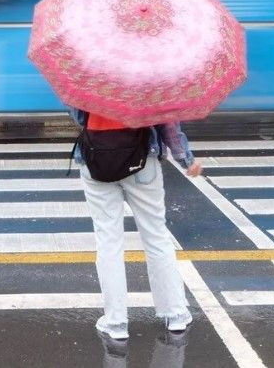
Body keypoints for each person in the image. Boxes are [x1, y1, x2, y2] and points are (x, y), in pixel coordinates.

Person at [70, 109, 203, 340]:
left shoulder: (88, 75)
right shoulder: (149, 74)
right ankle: (176, 315)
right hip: (142, 159)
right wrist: (185, 159)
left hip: (97, 158)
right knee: (156, 238)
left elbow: (81, 117)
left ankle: (116, 322)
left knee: (108, 241)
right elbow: (167, 123)